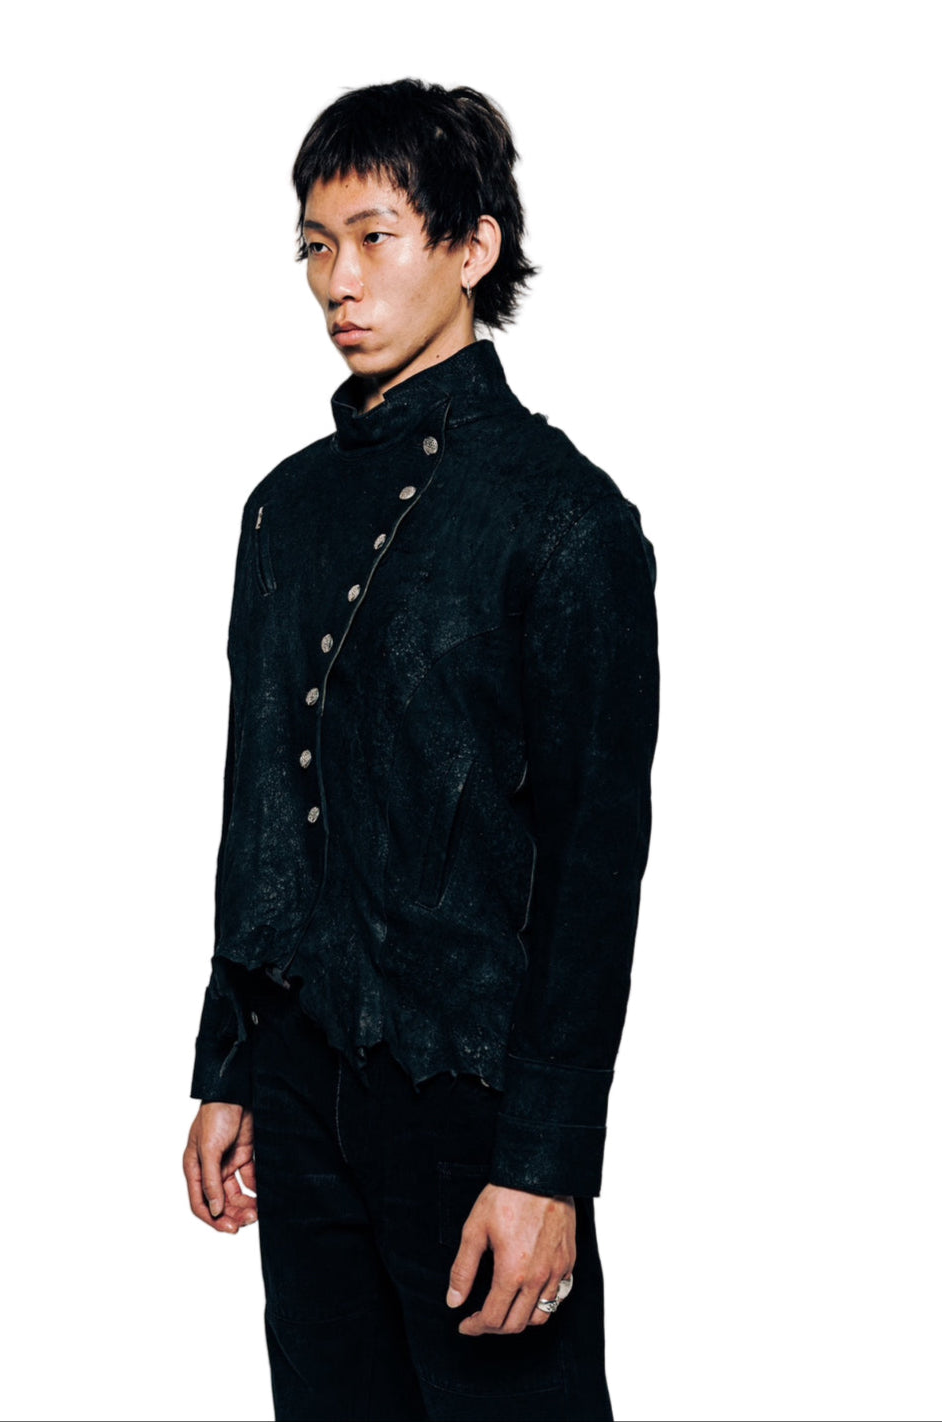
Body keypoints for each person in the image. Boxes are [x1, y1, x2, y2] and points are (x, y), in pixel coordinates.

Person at [182, 78, 659, 1422]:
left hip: (473, 1103)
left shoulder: (564, 521)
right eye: (314, 245)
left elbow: (592, 870)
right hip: (301, 1080)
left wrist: (546, 1164)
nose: (338, 280)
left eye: (375, 236)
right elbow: (261, 809)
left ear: (472, 247)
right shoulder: (284, 510)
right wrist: (230, 1062)